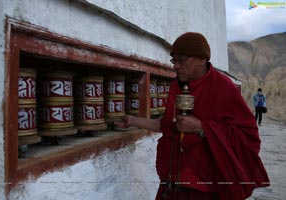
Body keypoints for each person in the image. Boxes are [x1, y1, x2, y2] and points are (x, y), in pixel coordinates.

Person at [115, 32, 269, 200]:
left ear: (202, 60)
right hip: (171, 183)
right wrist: (133, 120)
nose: (176, 66)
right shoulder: (176, 86)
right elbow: (169, 126)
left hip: (203, 188)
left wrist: (202, 127)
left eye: (182, 60)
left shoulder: (223, 88)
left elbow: (248, 135)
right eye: (174, 60)